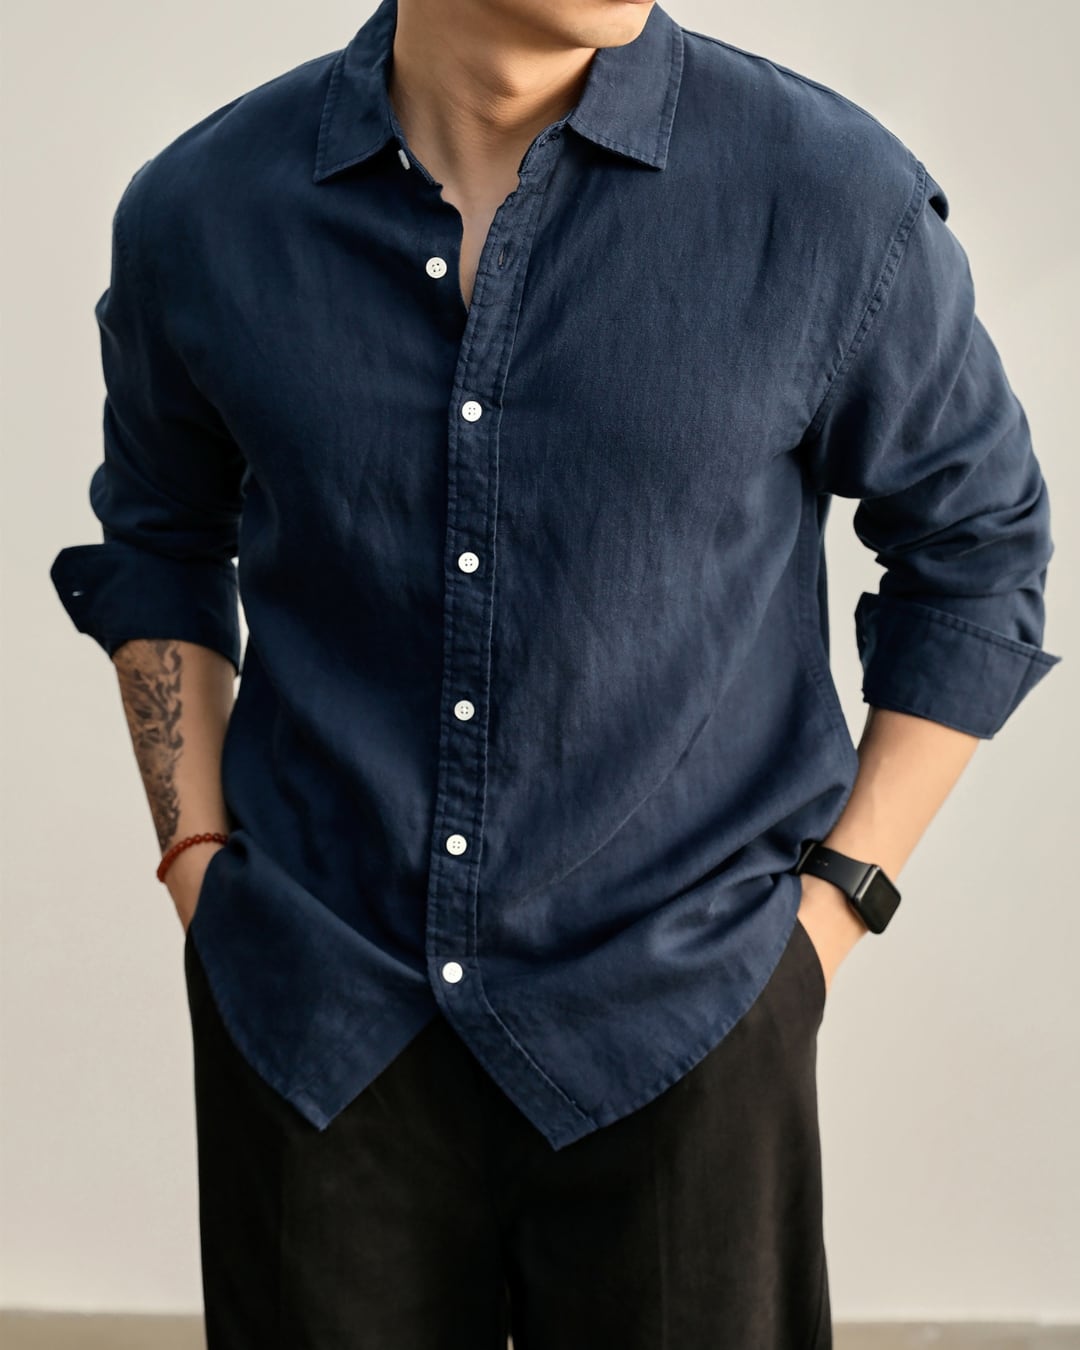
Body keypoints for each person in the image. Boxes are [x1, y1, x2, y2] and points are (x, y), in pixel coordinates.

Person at [49, 0, 1062, 1345]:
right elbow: (159, 543)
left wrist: (827, 920)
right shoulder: (205, 211)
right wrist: (196, 861)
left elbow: (980, 549)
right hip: (316, 1027)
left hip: (684, 1027)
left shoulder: (826, 198)